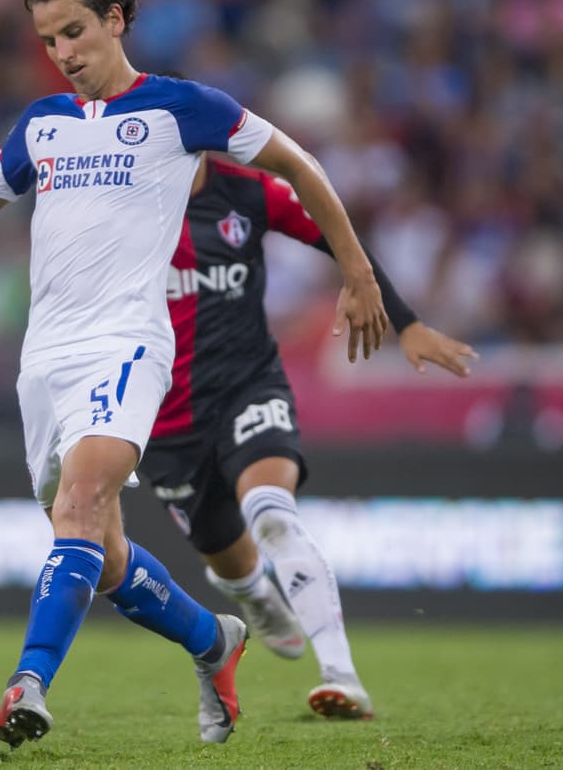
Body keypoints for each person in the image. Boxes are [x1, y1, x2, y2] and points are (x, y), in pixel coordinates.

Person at [0, 0, 389, 749]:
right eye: (48, 40)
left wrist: (359, 272)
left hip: (130, 344)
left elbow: (301, 165)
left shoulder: (182, 108)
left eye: (74, 32)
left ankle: (27, 685)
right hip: (47, 362)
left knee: (81, 504)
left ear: (115, 19)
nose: (63, 53)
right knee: (96, 551)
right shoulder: (43, 125)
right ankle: (214, 641)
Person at [138, 152, 478, 720]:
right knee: (228, 558)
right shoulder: (125, 207)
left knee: (272, 515)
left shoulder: (249, 194)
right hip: (165, 417)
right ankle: (254, 595)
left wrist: (406, 320)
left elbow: (338, 238)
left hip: (248, 386)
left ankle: (341, 676)